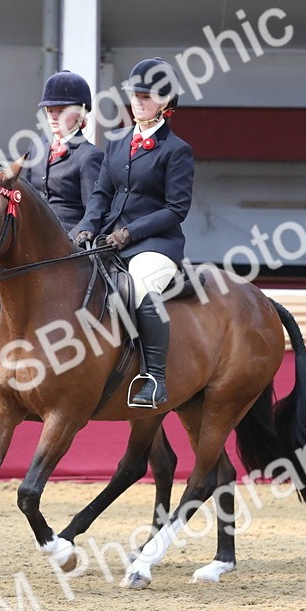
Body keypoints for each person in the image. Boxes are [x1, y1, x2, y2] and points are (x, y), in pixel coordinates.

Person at [72, 58, 193, 409]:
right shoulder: (116, 143)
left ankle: (155, 378)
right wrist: (86, 228)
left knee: (141, 286)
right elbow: (100, 194)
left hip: (156, 244)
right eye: (135, 95)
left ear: (166, 103)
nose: (138, 101)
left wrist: (129, 233)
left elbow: (176, 209)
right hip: (110, 237)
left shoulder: (177, 151)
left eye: (147, 96)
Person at [21, 70, 104, 235]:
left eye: (61, 111)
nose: (53, 116)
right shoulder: (36, 146)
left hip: (66, 239)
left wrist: (72, 239)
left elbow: (93, 212)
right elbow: (26, 196)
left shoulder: (89, 156)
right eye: (50, 110)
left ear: (80, 113)